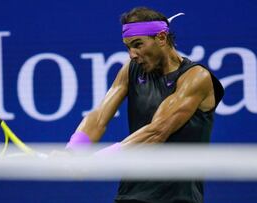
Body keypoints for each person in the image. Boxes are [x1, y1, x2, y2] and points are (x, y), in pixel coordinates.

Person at [65, 7, 224, 203]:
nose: (132, 54)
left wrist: (97, 161)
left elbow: (157, 132)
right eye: (128, 47)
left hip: (178, 198)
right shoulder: (131, 69)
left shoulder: (196, 77)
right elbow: (98, 117)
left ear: (162, 38)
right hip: (130, 194)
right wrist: (74, 150)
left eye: (138, 44)